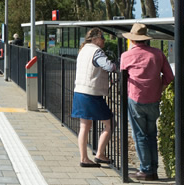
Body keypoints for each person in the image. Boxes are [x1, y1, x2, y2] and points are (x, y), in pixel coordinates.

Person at [119, 23, 174, 181]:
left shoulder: (126, 56)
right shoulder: (157, 54)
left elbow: (123, 77)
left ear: (133, 39)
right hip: (154, 99)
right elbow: (169, 77)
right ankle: (154, 169)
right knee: (151, 134)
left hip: (135, 99)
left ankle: (145, 170)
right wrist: (160, 88)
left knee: (140, 136)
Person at [72, 28, 117, 168]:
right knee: (110, 123)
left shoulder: (83, 50)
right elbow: (109, 66)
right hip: (92, 93)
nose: (104, 40)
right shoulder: (97, 52)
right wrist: (117, 65)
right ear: (96, 39)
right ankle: (99, 154)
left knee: (84, 126)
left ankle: (84, 157)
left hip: (79, 91)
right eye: (103, 37)